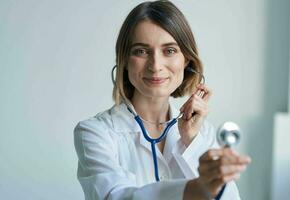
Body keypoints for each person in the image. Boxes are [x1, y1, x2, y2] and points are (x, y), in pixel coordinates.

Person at [74, 1, 251, 199]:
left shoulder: (203, 133)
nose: (156, 65)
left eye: (169, 50)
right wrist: (197, 189)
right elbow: (116, 196)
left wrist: (192, 142)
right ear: (124, 60)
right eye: (141, 51)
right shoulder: (95, 132)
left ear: (187, 61)